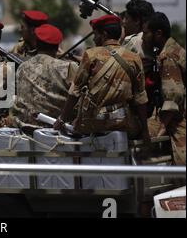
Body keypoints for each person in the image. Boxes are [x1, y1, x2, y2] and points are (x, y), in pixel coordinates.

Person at [54, 15, 151, 146]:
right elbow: (140, 98)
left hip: (93, 123)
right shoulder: (133, 58)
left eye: (95, 34)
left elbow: (75, 91)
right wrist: (145, 131)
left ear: (104, 35)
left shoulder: (91, 55)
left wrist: (62, 119)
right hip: (122, 123)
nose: (94, 39)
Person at [10, 24, 78, 128]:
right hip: (54, 130)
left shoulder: (22, 67)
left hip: (24, 128)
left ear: (36, 43)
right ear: (58, 47)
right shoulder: (68, 67)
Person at [142, 12, 186, 165]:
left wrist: (160, 129)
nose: (143, 37)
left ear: (158, 33)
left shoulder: (167, 56)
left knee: (181, 177)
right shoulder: (174, 49)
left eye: (146, 33)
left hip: (180, 123)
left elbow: (173, 98)